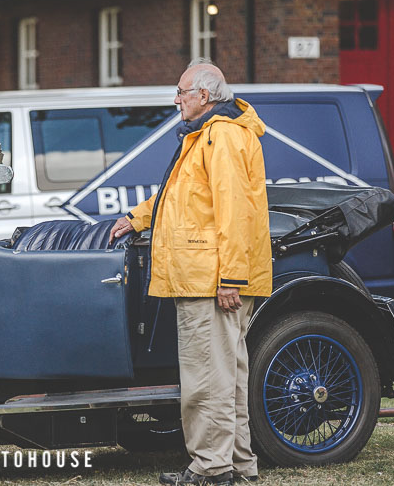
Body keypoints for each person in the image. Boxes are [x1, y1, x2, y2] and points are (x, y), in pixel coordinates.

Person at [110, 59, 272, 486]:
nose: (176, 99)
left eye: (181, 91)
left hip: (210, 280)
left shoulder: (221, 137)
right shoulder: (212, 134)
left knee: (207, 380)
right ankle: (236, 466)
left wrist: (231, 279)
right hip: (209, 277)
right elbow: (183, 199)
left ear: (204, 95)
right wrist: (139, 216)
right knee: (228, 378)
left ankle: (211, 468)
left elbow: (235, 212)